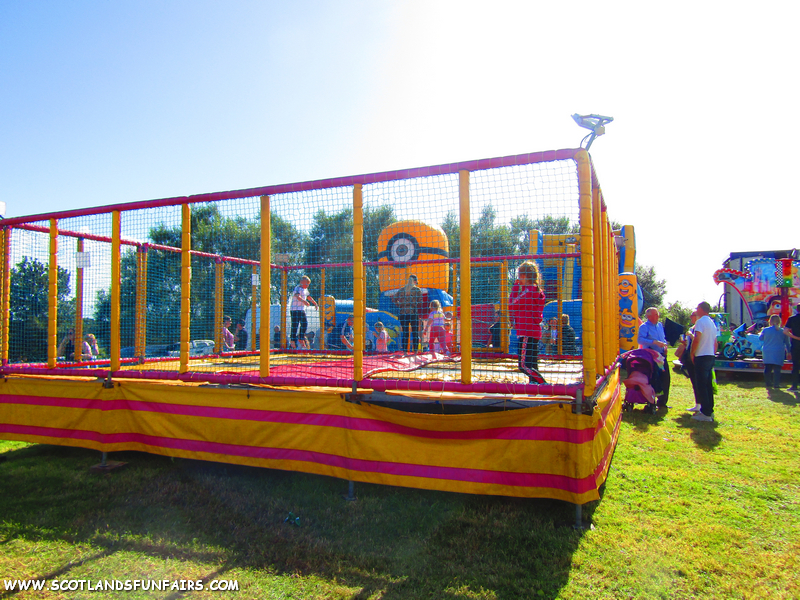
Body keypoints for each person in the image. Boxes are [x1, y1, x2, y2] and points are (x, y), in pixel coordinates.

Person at [509, 261, 546, 383]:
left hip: (527, 331)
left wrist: (515, 286)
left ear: (524, 276)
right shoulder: (535, 291)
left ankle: (543, 384)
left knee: (523, 365)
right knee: (532, 364)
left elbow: (512, 303)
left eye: (519, 276)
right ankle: (535, 384)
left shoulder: (528, 292)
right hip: (532, 331)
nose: (518, 279)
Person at [689, 301, 718, 421]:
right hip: (710, 355)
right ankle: (709, 410)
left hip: (702, 355)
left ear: (701, 309)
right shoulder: (712, 323)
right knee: (708, 385)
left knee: (701, 385)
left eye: (697, 308)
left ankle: (705, 413)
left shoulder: (700, 322)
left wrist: (692, 352)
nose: (696, 311)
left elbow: (697, 338)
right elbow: (715, 343)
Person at [638, 307, 670, 408]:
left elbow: (663, 338)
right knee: (654, 378)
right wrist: (653, 342)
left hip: (662, 355)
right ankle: (651, 401)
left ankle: (662, 402)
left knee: (666, 377)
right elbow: (640, 340)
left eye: (658, 314)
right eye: (655, 314)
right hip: (651, 355)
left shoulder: (660, 325)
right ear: (649, 316)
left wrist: (665, 346)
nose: (658, 316)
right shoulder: (644, 327)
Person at [392, 274, 423, 353]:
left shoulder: (402, 289)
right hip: (413, 313)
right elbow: (420, 302)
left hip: (403, 313)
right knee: (415, 332)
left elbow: (394, 299)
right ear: (415, 281)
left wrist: (401, 305)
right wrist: (414, 304)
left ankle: (405, 351)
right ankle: (415, 351)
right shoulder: (417, 290)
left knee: (405, 332)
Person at [759, 315, 790, 388]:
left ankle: (768, 383)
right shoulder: (782, 331)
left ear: (770, 321)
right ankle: (776, 384)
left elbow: (760, 338)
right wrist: (789, 352)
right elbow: (787, 343)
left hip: (767, 350)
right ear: (779, 321)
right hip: (779, 351)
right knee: (777, 369)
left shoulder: (765, 330)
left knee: (767, 368)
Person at [290, 275, 319, 349]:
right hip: (295, 309)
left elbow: (309, 297)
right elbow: (297, 296)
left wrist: (315, 303)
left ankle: (301, 337)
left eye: (308, 284)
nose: (307, 285)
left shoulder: (305, 290)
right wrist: (304, 301)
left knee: (304, 324)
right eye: (306, 283)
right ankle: (292, 340)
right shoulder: (297, 288)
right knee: (295, 325)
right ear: (302, 282)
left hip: (301, 309)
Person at [784, 304, 800, 391]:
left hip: (796, 344)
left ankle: (794, 386)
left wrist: (796, 337)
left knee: (796, 365)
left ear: (797, 310)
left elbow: (785, 331)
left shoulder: (792, 319)